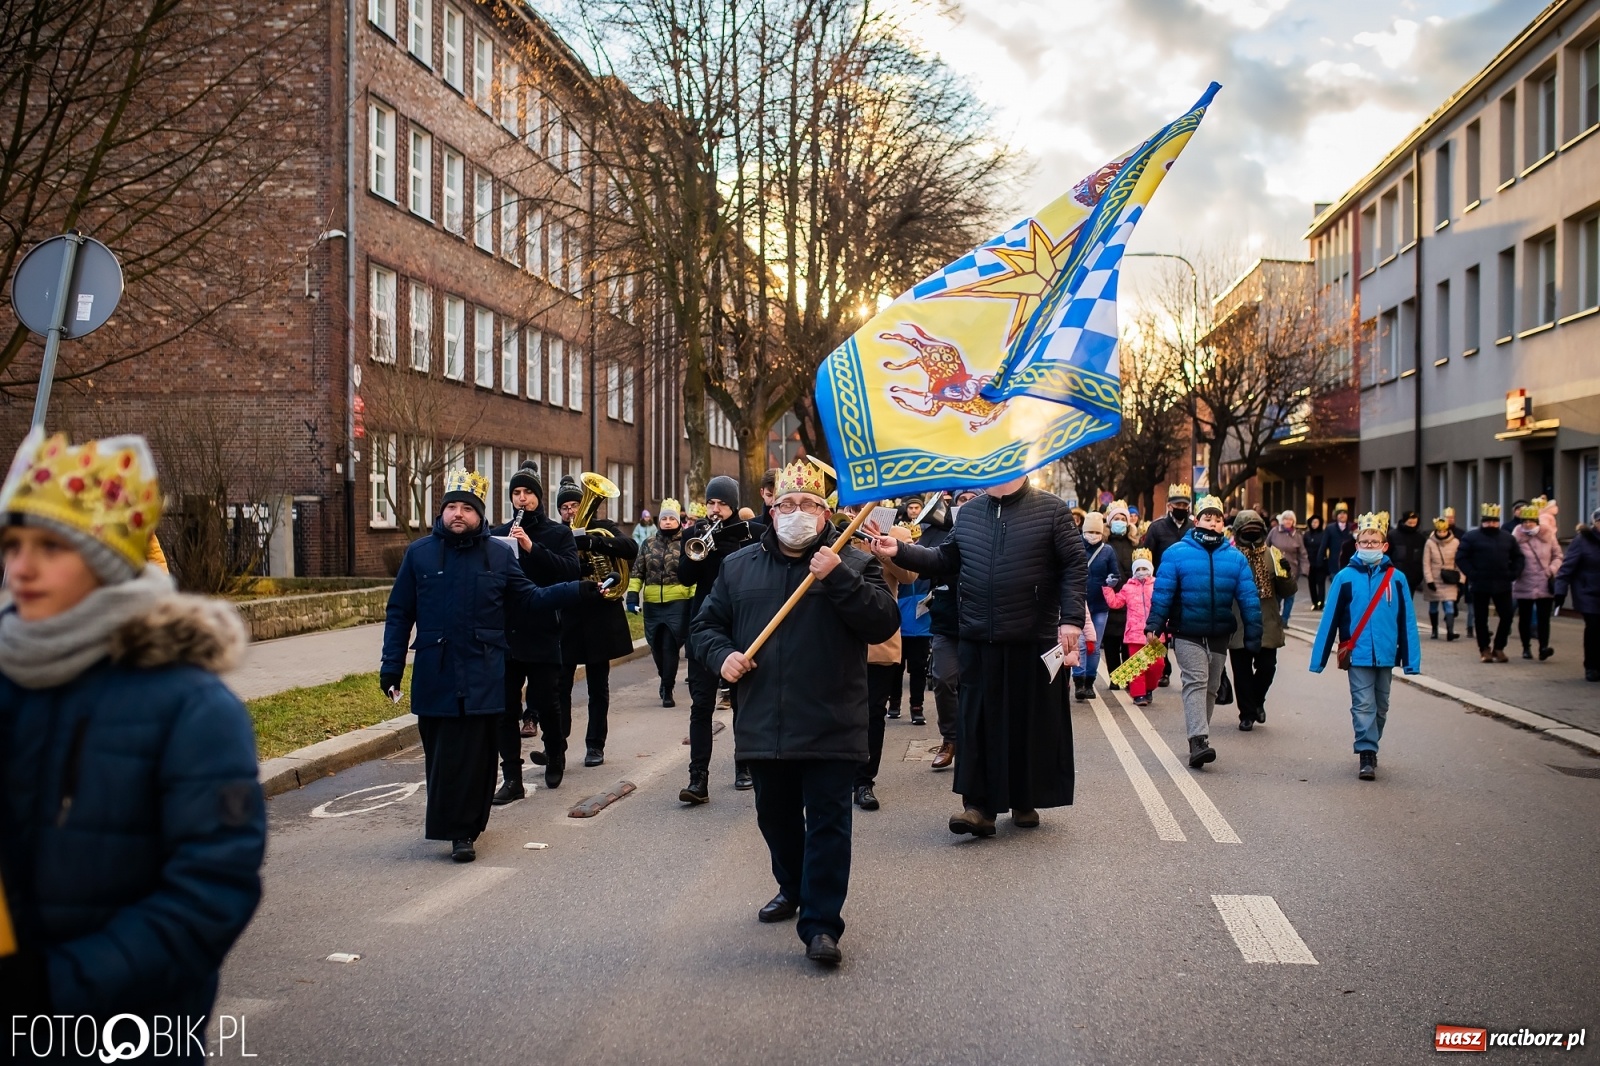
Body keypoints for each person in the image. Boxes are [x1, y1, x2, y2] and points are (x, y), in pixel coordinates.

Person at [0, 431, 266, 1034]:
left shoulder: (192, 708)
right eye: (11, 544)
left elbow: (210, 893)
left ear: (106, 562)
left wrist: (53, 988)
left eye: (50, 545)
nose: (23, 565)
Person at [690, 460, 899, 968]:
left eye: (808, 505)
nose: (796, 513)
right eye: (787, 505)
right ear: (771, 507)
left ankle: (822, 923)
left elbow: (882, 622)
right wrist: (724, 657)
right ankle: (793, 885)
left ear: (826, 512)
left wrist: (838, 578)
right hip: (765, 721)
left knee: (829, 823)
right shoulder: (738, 567)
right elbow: (705, 627)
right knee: (775, 818)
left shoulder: (852, 560)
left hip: (832, 719)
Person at [382, 469, 588, 861]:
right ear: (442, 512)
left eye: (467, 509)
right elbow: (399, 612)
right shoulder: (420, 554)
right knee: (443, 755)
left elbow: (529, 597)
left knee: (477, 755)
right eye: (451, 507)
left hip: (482, 670)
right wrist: (391, 668)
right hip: (436, 671)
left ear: (479, 514)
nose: (458, 515)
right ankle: (449, 824)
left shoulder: (497, 553)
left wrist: (578, 590)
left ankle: (466, 832)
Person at [874, 475, 1087, 838]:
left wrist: (1070, 620)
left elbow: (1073, 566)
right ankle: (978, 808)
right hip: (976, 635)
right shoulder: (969, 513)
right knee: (977, 724)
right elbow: (945, 558)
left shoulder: (1051, 510)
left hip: (1031, 637)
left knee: (1027, 723)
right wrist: (901, 550)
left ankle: (1024, 799)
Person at [1144, 494, 1263, 769]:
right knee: (1196, 681)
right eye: (1207, 518)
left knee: (1211, 686)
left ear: (1224, 524)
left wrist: (1254, 634)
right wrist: (1154, 624)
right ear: (1197, 521)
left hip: (1221, 632)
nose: (1212, 523)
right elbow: (1162, 593)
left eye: (1217, 519)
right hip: (1187, 630)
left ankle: (1199, 736)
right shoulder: (1175, 553)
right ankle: (1199, 740)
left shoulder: (1235, 558)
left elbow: (1248, 597)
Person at [489, 461, 581, 799]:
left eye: (528, 493)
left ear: (539, 498)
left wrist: (531, 548)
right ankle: (511, 776)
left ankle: (555, 754)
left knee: (547, 701)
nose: (522, 499)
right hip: (507, 633)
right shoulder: (498, 533)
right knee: (505, 708)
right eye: (517, 493)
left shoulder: (557, 534)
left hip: (543, 630)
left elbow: (570, 572)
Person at [1309, 512, 1421, 780]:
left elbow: (1407, 620)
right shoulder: (1345, 577)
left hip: (1385, 653)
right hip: (1356, 653)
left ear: (1384, 546)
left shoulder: (1397, 578)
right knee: (1363, 704)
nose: (1369, 546)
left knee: (1381, 705)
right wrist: (1319, 659)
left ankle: (1372, 741)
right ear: (1356, 545)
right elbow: (1330, 619)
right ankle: (1366, 752)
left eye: (1374, 542)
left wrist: (1410, 660)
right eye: (1364, 542)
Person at [678, 475, 754, 802]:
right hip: (703, 626)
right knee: (701, 706)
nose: (715, 508)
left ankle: (744, 765)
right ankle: (698, 779)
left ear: (733, 505)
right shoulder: (694, 533)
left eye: (721, 503)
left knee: (743, 703)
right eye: (711, 502)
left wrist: (728, 551)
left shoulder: (750, 535)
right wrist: (699, 549)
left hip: (739, 627)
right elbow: (684, 576)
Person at [554, 476, 638, 769]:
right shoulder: (555, 534)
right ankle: (558, 743)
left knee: (597, 686)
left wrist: (592, 542)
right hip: (569, 617)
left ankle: (595, 745)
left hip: (600, 617)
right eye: (564, 507)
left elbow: (630, 548)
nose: (570, 512)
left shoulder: (604, 527)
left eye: (574, 504)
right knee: (560, 683)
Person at [857, 524, 918, 810]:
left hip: (877, 639)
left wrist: (881, 550)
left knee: (872, 713)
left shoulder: (897, 533)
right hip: (836, 637)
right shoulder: (833, 526)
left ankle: (864, 780)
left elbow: (909, 576)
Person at [1228, 509, 1298, 730]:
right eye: (1246, 530)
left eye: (1255, 530)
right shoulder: (1229, 556)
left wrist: (1286, 574)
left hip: (1267, 620)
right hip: (1238, 622)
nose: (1251, 534)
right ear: (1238, 532)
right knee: (1241, 671)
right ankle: (1246, 714)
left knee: (1267, 667)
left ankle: (1258, 701)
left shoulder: (1273, 554)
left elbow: (1287, 591)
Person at [629, 497, 695, 706]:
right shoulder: (648, 544)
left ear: (678, 521)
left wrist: (694, 598)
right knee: (656, 646)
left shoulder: (687, 542)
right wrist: (632, 595)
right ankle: (664, 677)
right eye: (664, 518)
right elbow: (638, 571)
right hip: (652, 603)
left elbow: (693, 571)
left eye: (671, 518)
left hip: (678, 601)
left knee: (669, 645)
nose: (667, 521)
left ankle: (668, 688)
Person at [923, 490, 968, 771]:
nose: (966, 505)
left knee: (978, 686)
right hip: (947, 622)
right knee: (942, 678)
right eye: (961, 500)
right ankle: (950, 738)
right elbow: (922, 563)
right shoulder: (938, 534)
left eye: (971, 499)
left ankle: (977, 741)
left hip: (983, 623)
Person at [1456, 503, 1524, 663]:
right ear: (1482, 521)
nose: (1491, 524)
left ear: (1498, 522)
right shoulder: (1471, 537)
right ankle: (1484, 649)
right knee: (1480, 618)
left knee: (1507, 616)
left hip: (1502, 583)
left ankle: (1499, 647)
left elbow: (1518, 557)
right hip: (1480, 583)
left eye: (1494, 521)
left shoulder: (1507, 537)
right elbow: (1461, 557)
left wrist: (1513, 573)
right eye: (1488, 521)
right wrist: (1472, 574)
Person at [1073, 511, 1122, 702]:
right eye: (1089, 531)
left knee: (1093, 646)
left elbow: (1115, 574)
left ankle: (1090, 682)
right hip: (1079, 602)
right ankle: (1079, 680)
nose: (1092, 535)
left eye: (1096, 531)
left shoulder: (1108, 551)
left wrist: (1112, 581)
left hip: (1100, 606)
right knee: (1081, 644)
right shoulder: (1076, 546)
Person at [1102, 549, 1161, 705]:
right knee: (1137, 666)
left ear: (1151, 569)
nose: (1142, 572)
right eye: (1138, 569)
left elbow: (1164, 606)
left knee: (1157, 665)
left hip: (1154, 632)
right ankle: (1138, 695)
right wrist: (1108, 588)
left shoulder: (1158, 586)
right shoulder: (1128, 587)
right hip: (1134, 633)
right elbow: (1116, 603)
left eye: (1145, 568)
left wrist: (1166, 625)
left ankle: (1149, 688)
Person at [895, 516, 933, 726]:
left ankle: (916, 707)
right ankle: (894, 703)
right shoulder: (892, 560)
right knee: (895, 668)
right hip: (898, 626)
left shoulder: (924, 559)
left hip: (921, 625)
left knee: (918, 668)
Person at [1554, 508, 1600, 682]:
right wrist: (1560, 591)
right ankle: (1591, 666)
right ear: (1595, 523)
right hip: (1587, 592)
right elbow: (1566, 569)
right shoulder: (1582, 541)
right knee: (1594, 627)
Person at [1511, 502, 1561, 661]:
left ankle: (1543, 647)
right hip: (1524, 581)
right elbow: (1509, 557)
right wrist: (1515, 571)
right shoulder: (1515, 537)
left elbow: (1558, 556)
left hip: (1544, 581)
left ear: (1537, 522)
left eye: (1530, 521)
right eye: (1524, 522)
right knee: (1524, 617)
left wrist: (1551, 570)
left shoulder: (1548, 535)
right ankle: (1526, 647)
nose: (1527, 524)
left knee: (1543, 618)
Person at [1421, 516, 1463, 641]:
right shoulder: (1430, 543)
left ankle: (1450, 631)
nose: (1442, 533)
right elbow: (1426, 562)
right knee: (1433, 605)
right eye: (1439, 531)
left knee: (1449, 604)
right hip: (1434, 577)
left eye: (1444, 531)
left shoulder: (1455, 542)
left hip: (1450, 578)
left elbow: (1459, 562)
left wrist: (1461, 579)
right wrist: (1429, 580)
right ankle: (1434, 629)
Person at [1267, 510, 1310, 625]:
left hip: (1292, 570)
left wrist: (1305, 569)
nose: (1288, 521)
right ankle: (1275, 618)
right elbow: (1266, 546)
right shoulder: (1274, 531)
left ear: (1293, 522)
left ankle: (1285, 619)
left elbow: (1303, 553)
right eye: (1286, 519)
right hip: (1275, 569)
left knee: (1290, 596)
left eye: (1290, 519)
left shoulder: (1297, 535)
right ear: (1282, 520)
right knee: (1277, 596)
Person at [1389, 511, 1426, 613]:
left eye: (1414, 523)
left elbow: (1422, 558)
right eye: (1410, 523)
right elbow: (1387, 555)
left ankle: (1403, 624)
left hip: (1413, 577)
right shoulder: (1393, 535)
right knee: (1396, 602)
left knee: (1407, 603)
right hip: (1395, 575)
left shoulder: (1420, 538)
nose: (1412, 526)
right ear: (1404, 521)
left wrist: (1420, 575)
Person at [1303, 514, 1328, 609]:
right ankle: (1314, 602)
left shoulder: (1324, 534)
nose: (1314, 524)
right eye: (1313, 522)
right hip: (1310, 563)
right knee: (1311, 584)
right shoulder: (1307, 535)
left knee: (1321, 583)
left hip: (1321, 562)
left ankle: (1320, 603)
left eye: (1316, 522)